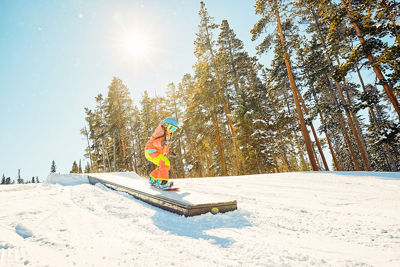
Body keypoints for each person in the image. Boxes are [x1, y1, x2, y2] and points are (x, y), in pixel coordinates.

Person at [145, 117, 178, 189]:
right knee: (165, 162)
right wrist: (163, 142)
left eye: (174, 129)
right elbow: (155, 143)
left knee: (165, 165)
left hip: (154, 152)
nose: (172, 130)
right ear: (165, 125)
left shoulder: (166, 134)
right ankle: (162, 182)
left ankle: (153, 178)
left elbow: (164, 147)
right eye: (171, 127)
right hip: (152, 151)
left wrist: (169, 152)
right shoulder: (160, 131)